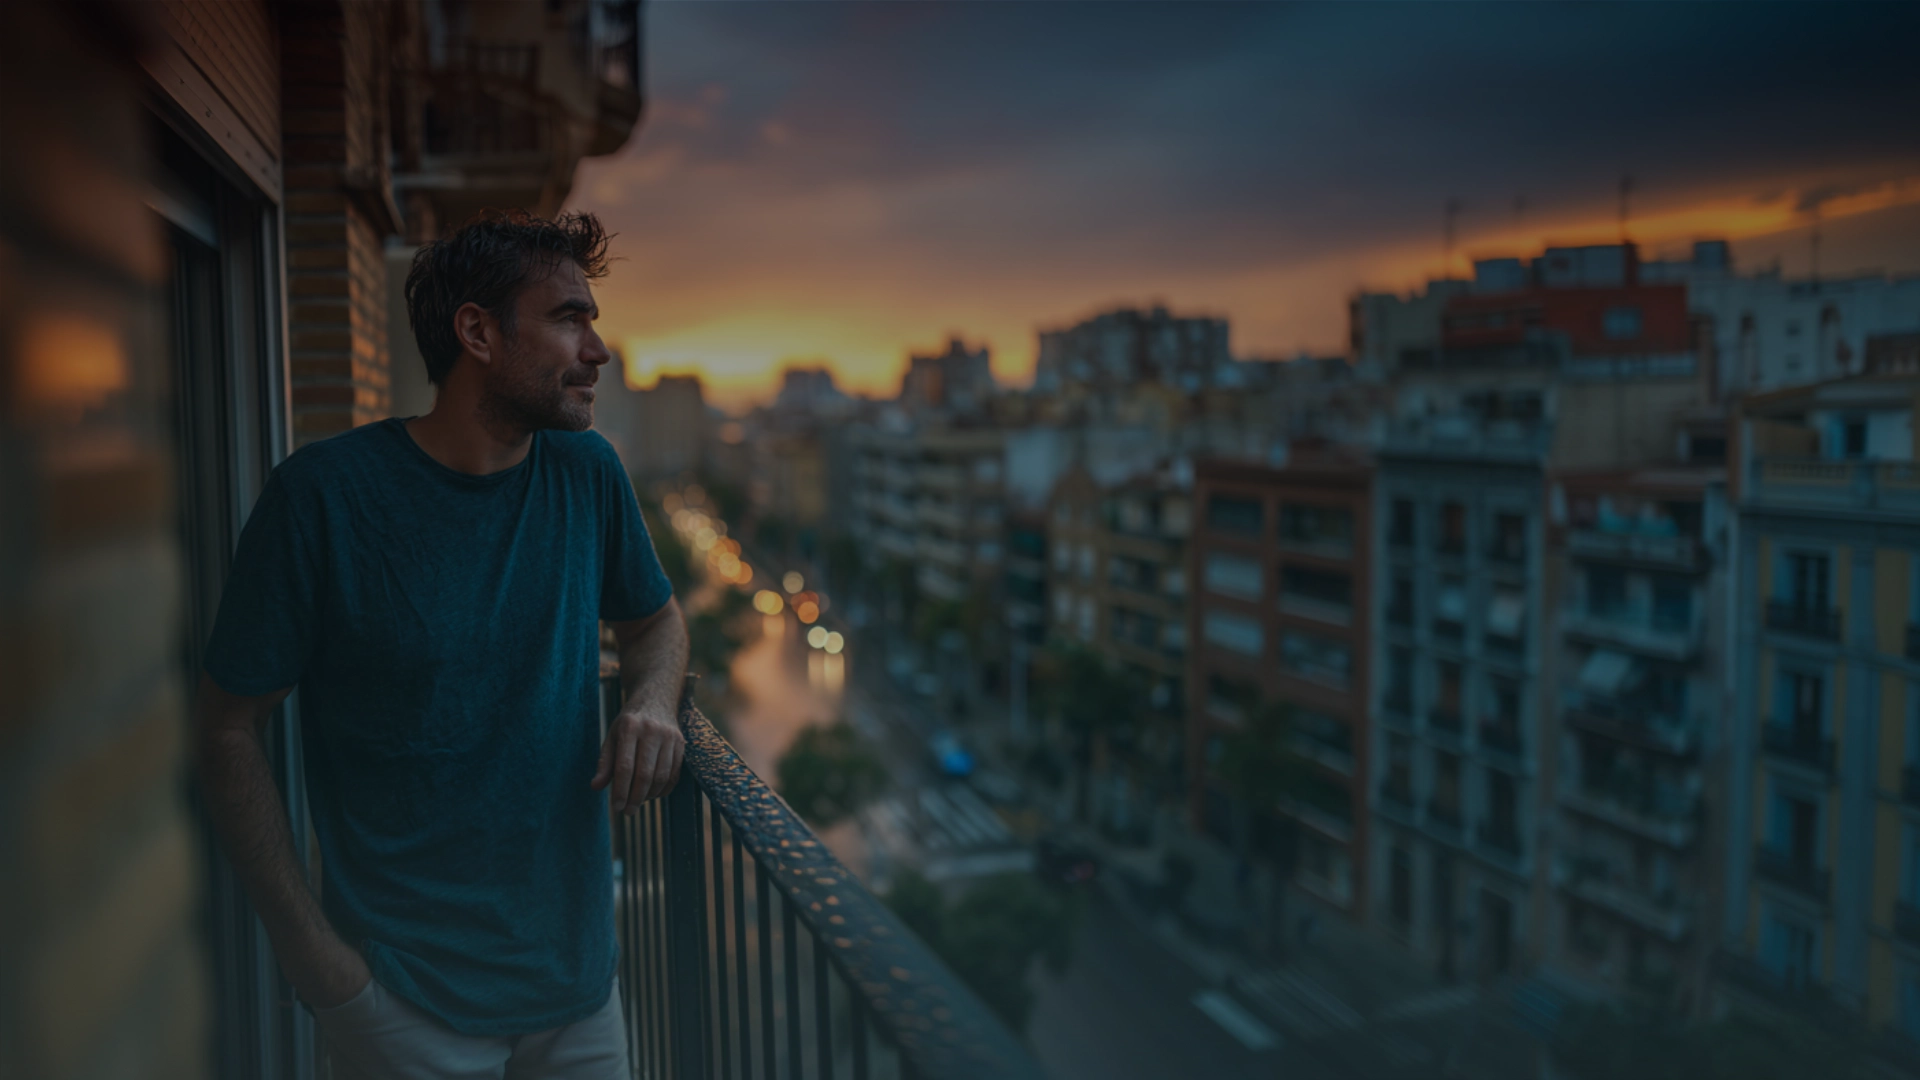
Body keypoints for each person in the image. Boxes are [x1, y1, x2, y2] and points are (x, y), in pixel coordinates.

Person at [194, 210, 688, 1080]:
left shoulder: (588, 473)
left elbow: (654, 621)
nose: (598, 350)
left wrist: (652, 704)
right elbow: (226, 728)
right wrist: (317, 964)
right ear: (478, 333)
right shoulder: (322, 498)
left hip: (580, 998)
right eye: (569, 319)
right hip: (405, 1006)